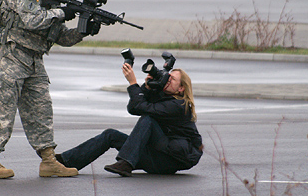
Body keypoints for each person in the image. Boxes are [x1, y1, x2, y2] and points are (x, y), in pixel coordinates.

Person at [0, 0, 100, 179]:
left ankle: (49, 162)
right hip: (9, 57)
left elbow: (61, 37)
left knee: (41, 110)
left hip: (33, 60)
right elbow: (32, 20)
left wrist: (84, 31)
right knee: (2, 112)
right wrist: (63, 12)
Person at [56, 63, 203, 176]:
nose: (167, 79)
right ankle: (64, 162)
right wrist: (146, 87)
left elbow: (141, 108)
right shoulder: (163, 97)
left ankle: (126, 163)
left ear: (181, 88)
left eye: (172, 79)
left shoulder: (179, 105)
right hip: (158, 154)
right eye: (168, 77)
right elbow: (133, 108)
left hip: (171, 159)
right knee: (110, 135)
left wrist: (133, 84)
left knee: (148, 119)